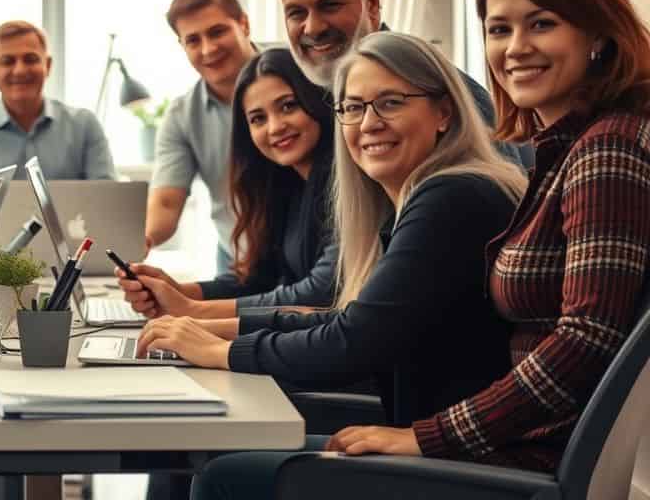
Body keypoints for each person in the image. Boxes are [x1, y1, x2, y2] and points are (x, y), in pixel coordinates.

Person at [135, 33, 526, 500]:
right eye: (354, 108)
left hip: (462, 461)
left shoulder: (451, 196)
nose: (369, 123)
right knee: (208, 449)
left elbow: (353, 341)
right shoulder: (420, 198)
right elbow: (349, 321)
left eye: (391, 102)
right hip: (428, 442)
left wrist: (219, 349)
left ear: (444, 112)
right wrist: (215, 330)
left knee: (222, 472)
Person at [323, 0, 650, 473]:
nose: (516, 47)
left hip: (529, 463)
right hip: (508, 450)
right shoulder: (561, 151)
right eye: (500, 29)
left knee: (231, 474)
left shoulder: (607, 147)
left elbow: (587, 338)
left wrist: (426, 438)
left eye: (541, 23)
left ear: (595, 32)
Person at [272, 0, 530, 167]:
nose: (312, 28)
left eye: (329, 5)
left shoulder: (440, 89)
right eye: (296, 13)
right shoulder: (305, 104)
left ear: (372, 3)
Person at [117, 48, 337, 320]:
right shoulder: (286, 185)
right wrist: (177, 290)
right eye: (258, 119)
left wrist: (192, 310)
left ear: (314, 100)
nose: (275, 127)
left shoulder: (341, 185)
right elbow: (259, 279)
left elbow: (320, 294)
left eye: (288, 106)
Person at [0, 21, 115, 242]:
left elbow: (107, 202)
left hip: (73, 258)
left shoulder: (85, 125)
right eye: (7, 61)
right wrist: (4, 233)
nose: (19, 70)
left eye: (30, 59)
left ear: (47, 65)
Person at [145, 0, 258, 276]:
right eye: (193, 40)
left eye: (217, 32)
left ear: (243, 24)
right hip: (238, 261)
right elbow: (167, 203)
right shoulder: (182, 116)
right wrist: (136, 241)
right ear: (182, 46)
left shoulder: (295, 73)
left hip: (310, 256)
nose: (209, 49)